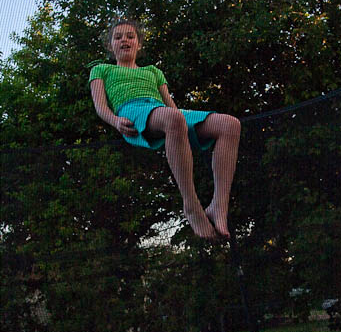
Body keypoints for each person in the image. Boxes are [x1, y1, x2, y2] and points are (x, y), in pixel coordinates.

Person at [89, 18, 241, 241]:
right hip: (132, 110)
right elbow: (100, 106)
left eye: (130, 36)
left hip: (162, 110)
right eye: (118, 37)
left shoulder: (153, 71)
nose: (124, 40)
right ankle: (191, 205)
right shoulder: (101, 70)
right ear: (110, 45)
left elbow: (170, 105)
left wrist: (182, 128)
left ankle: (219, 204)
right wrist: (115, 121)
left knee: (229, 124)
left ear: (139, 43)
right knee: (172, 117)